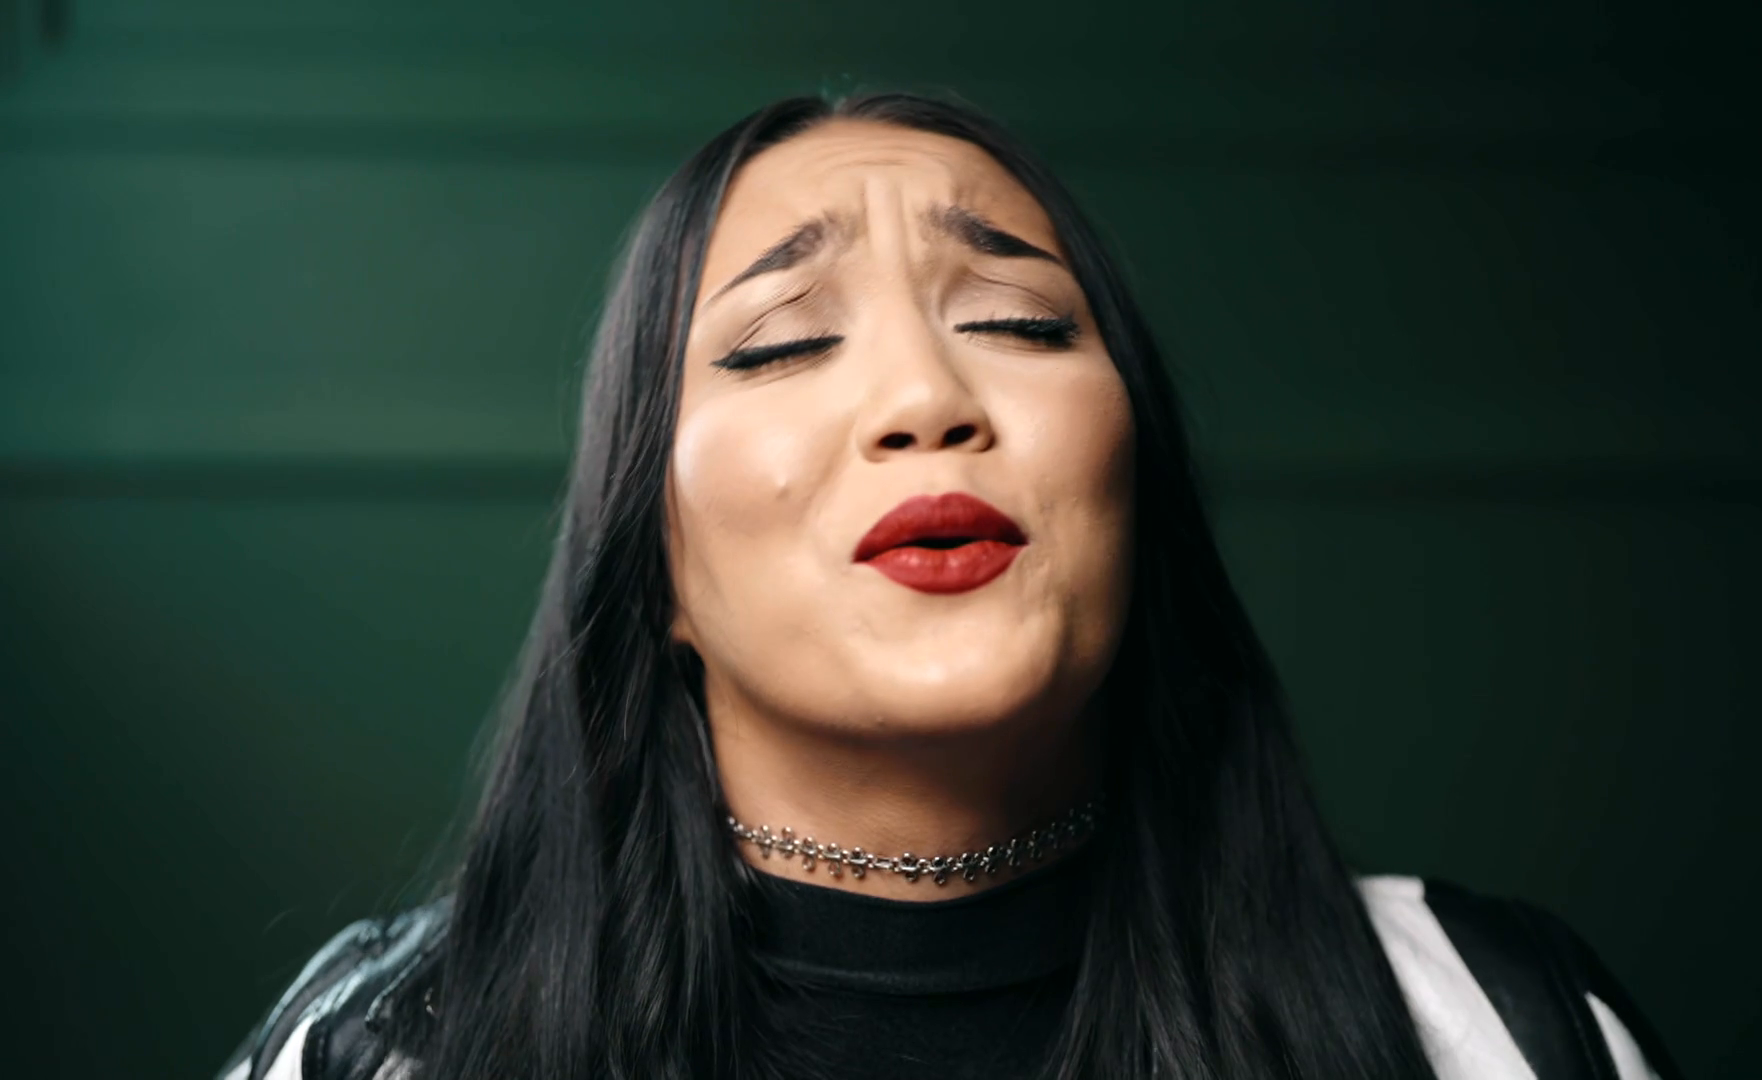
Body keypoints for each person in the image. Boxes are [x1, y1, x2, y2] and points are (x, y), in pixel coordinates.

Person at [217, 93, 1682, 1080]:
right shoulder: (391, 1049)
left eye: (1020, 323)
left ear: (1138, 481)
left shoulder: (1490, 1020)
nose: (927, 397)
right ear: (647, 558)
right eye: (784, 343)